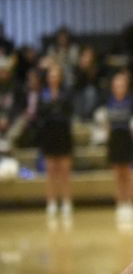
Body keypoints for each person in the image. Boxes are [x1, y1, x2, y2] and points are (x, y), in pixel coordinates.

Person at [97, 70, 133, 225]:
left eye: (122, 85)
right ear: (113, 87)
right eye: (116, 85)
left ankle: (129, 203)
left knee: (128, 174)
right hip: (114, 140)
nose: (119, 87)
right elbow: (104, 120)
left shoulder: (131, 101)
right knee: (117, 174)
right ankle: (120, 203)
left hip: (127, 139)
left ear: (126, 87)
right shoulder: (108, 102)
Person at [38, 59, 75, 223]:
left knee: (64, 172)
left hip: (63, 135)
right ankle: (52, 202)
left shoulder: (66, 93)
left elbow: (68, 112)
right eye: (51, 75)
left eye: (56, 75)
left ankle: (66, 202)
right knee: (51, 171)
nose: (53, 78)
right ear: (48, 77)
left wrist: (55, 108)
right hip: (48, 135)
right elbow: (41, 114)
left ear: (60, 77)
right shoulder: (42, 94)